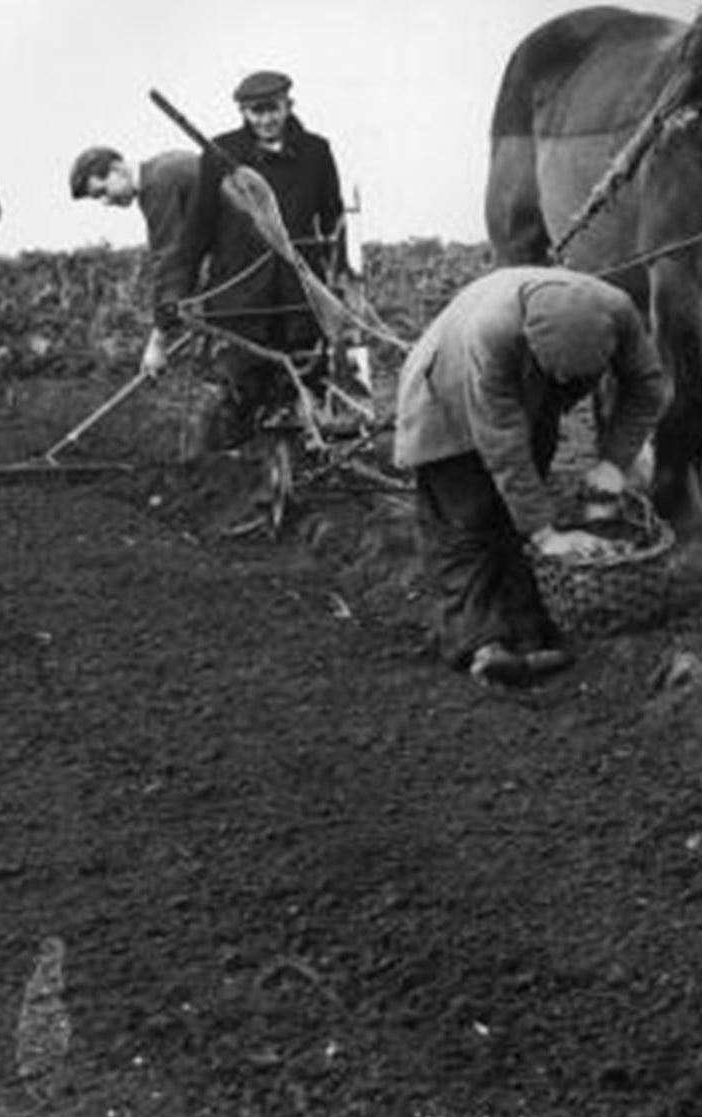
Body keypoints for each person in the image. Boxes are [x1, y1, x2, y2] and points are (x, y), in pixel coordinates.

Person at [394, 266, 670, 686]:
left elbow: (646, 388)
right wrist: (545, 533)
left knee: (517, 519)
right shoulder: (493, 332)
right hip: (446, 393)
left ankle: (529, 634)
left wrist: (612, 465)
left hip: (527, 391)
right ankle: (480, 645)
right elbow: (503, 445)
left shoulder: (618, 309)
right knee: (466, 520)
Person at [152, 71, 348, 448]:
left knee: (301, 395)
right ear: (243, 112)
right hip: (240, 305)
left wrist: (337, 282)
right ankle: (231, 484)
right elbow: (196, 232)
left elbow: (334, 223)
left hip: (299, 301)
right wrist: (175, 295)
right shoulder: (219, 155)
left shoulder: (316, 152)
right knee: (233, 400)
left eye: (272, 109)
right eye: (255, 112)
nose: (265, 119)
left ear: (288, 105)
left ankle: (301, 470)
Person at [69, 145, 201, 376]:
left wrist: (158, 341)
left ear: (118, 169)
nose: (106, 202)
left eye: (102, 192)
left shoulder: (157, 185)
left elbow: (170, 261)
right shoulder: (162, 166)